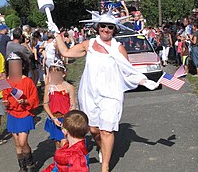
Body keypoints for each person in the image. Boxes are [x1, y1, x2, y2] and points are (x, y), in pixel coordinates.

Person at [47, 10, 158, 171]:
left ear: (115, 29)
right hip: (89, 93)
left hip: (111, 94)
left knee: (107, 130)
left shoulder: (118, 48)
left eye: (110, 27)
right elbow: (66, 52)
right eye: (103, 26)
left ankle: (105, 166)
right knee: (94, 129)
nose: (106, 29)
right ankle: (102, 147)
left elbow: (128, 71)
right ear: (98, 27)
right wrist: (56, 34)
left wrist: (145, 81)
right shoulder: (89, 44)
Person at [2, 52, 39, 172]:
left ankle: (30, 164)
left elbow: (34, 99)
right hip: (13, 114)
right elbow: (5, 97)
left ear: (22, 66)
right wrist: (6, 103)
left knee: (23, 142)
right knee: (17, 144)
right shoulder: (6, 81)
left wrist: (25, 101)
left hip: (24, 114)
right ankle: (22, 168)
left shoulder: (28, 81)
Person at [43, 60, 76, 149]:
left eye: (57, 74)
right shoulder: (49, 87)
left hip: (65, 118)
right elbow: (45, 104)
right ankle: (59, 160)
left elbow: (73, 104)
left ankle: (66, 161)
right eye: (52, 74)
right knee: (58, 143)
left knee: (64, 142)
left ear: (63, 74)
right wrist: (53, 118)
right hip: (54, 118)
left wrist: (68, 119)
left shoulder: (69, 87)